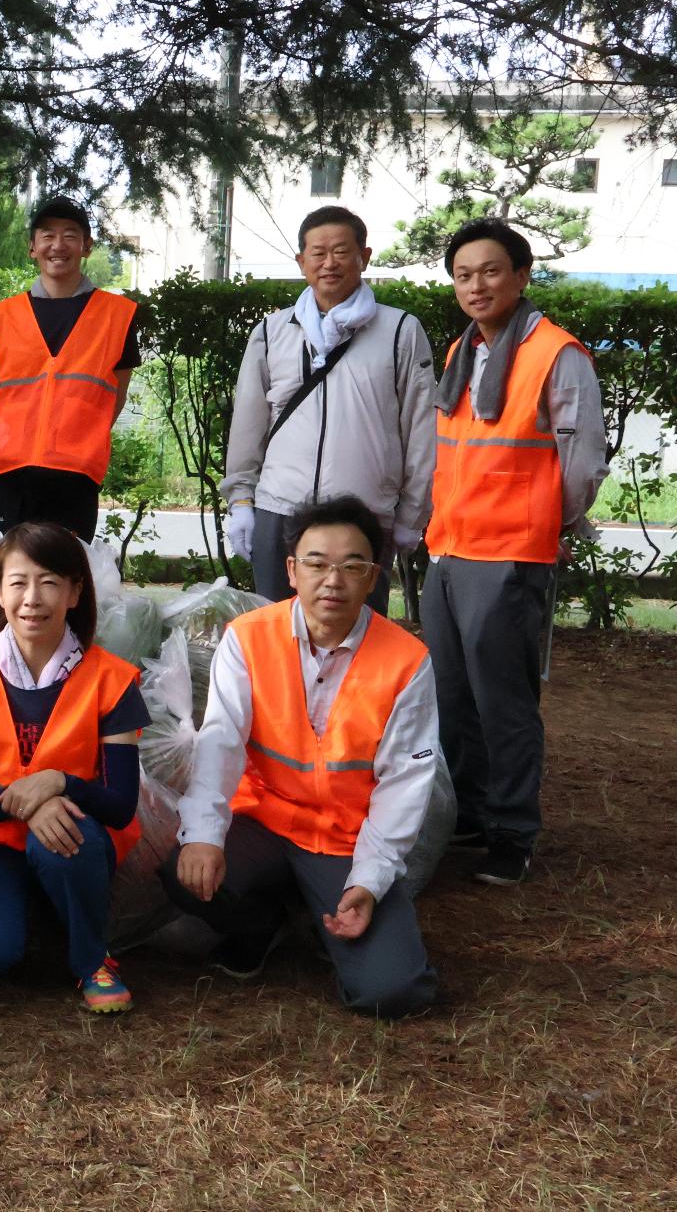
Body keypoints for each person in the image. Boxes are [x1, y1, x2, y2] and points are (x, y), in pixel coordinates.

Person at [161, 496, 440, 1019]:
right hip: (264, 819)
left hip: (344, 841)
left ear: (373, 576)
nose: (333, 580)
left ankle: (326, 912)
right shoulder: (249, 638)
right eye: (316, 563)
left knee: (393, 993)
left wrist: (368, 880)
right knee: (183, 870)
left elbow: (406, 782)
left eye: (352, 565)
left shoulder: (406, 661)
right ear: (292, 570)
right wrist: (203, 835)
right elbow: (220, 740)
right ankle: (262, 925)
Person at [422, 218, 606, 886]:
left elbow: (581, 463)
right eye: (464, 274)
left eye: (491, 270)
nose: (477, 284)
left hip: (510, 551)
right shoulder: (460, 352)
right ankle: (468, 811)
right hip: (449, 546)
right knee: (450, 693)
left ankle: (512, 829)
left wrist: (546, 523)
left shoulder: (558, 353)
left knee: (502, 697)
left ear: (522, 276)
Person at [0, 522, 150, 1012]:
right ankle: (38, 914)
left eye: (50, 582)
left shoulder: (112, 680)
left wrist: (60, 784)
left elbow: (118, 807)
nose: (33, 598)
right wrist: (32, 807)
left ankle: (93, 960)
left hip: (73, 837)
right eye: (18, 582)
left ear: (74, 593)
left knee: (66, 839)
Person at [221, 206, 436, 611]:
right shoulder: (271, 332)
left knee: (355, 642)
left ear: (364, 257)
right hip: (279, 508)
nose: (329, 263)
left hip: (365, 515)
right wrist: (241, 501)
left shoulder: (400, 331)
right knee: (277, 634)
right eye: (317, 253)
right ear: (301, 261)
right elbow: (248, 424)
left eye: (341, 251)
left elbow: (422, 429)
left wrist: (413, 514)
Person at [0, 196, 143, 542]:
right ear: (32, 248)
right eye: (47, 236)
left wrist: (79, 437)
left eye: (70, 235)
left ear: (87, 246)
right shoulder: (1, 316)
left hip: (74, 476)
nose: (58, 245)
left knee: (65, 580)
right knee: (2, 579)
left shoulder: (117, 315)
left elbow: (117, 394)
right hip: (7, 473)